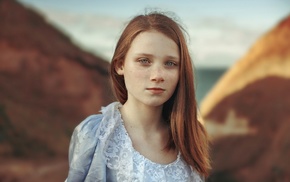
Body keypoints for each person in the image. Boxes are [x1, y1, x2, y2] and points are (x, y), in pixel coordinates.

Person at [66, 10, 211, 182]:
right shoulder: (94, 135)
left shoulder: (190, 136)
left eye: (170, 63)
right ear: (120, 65)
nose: (157, 75)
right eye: (144, 61)